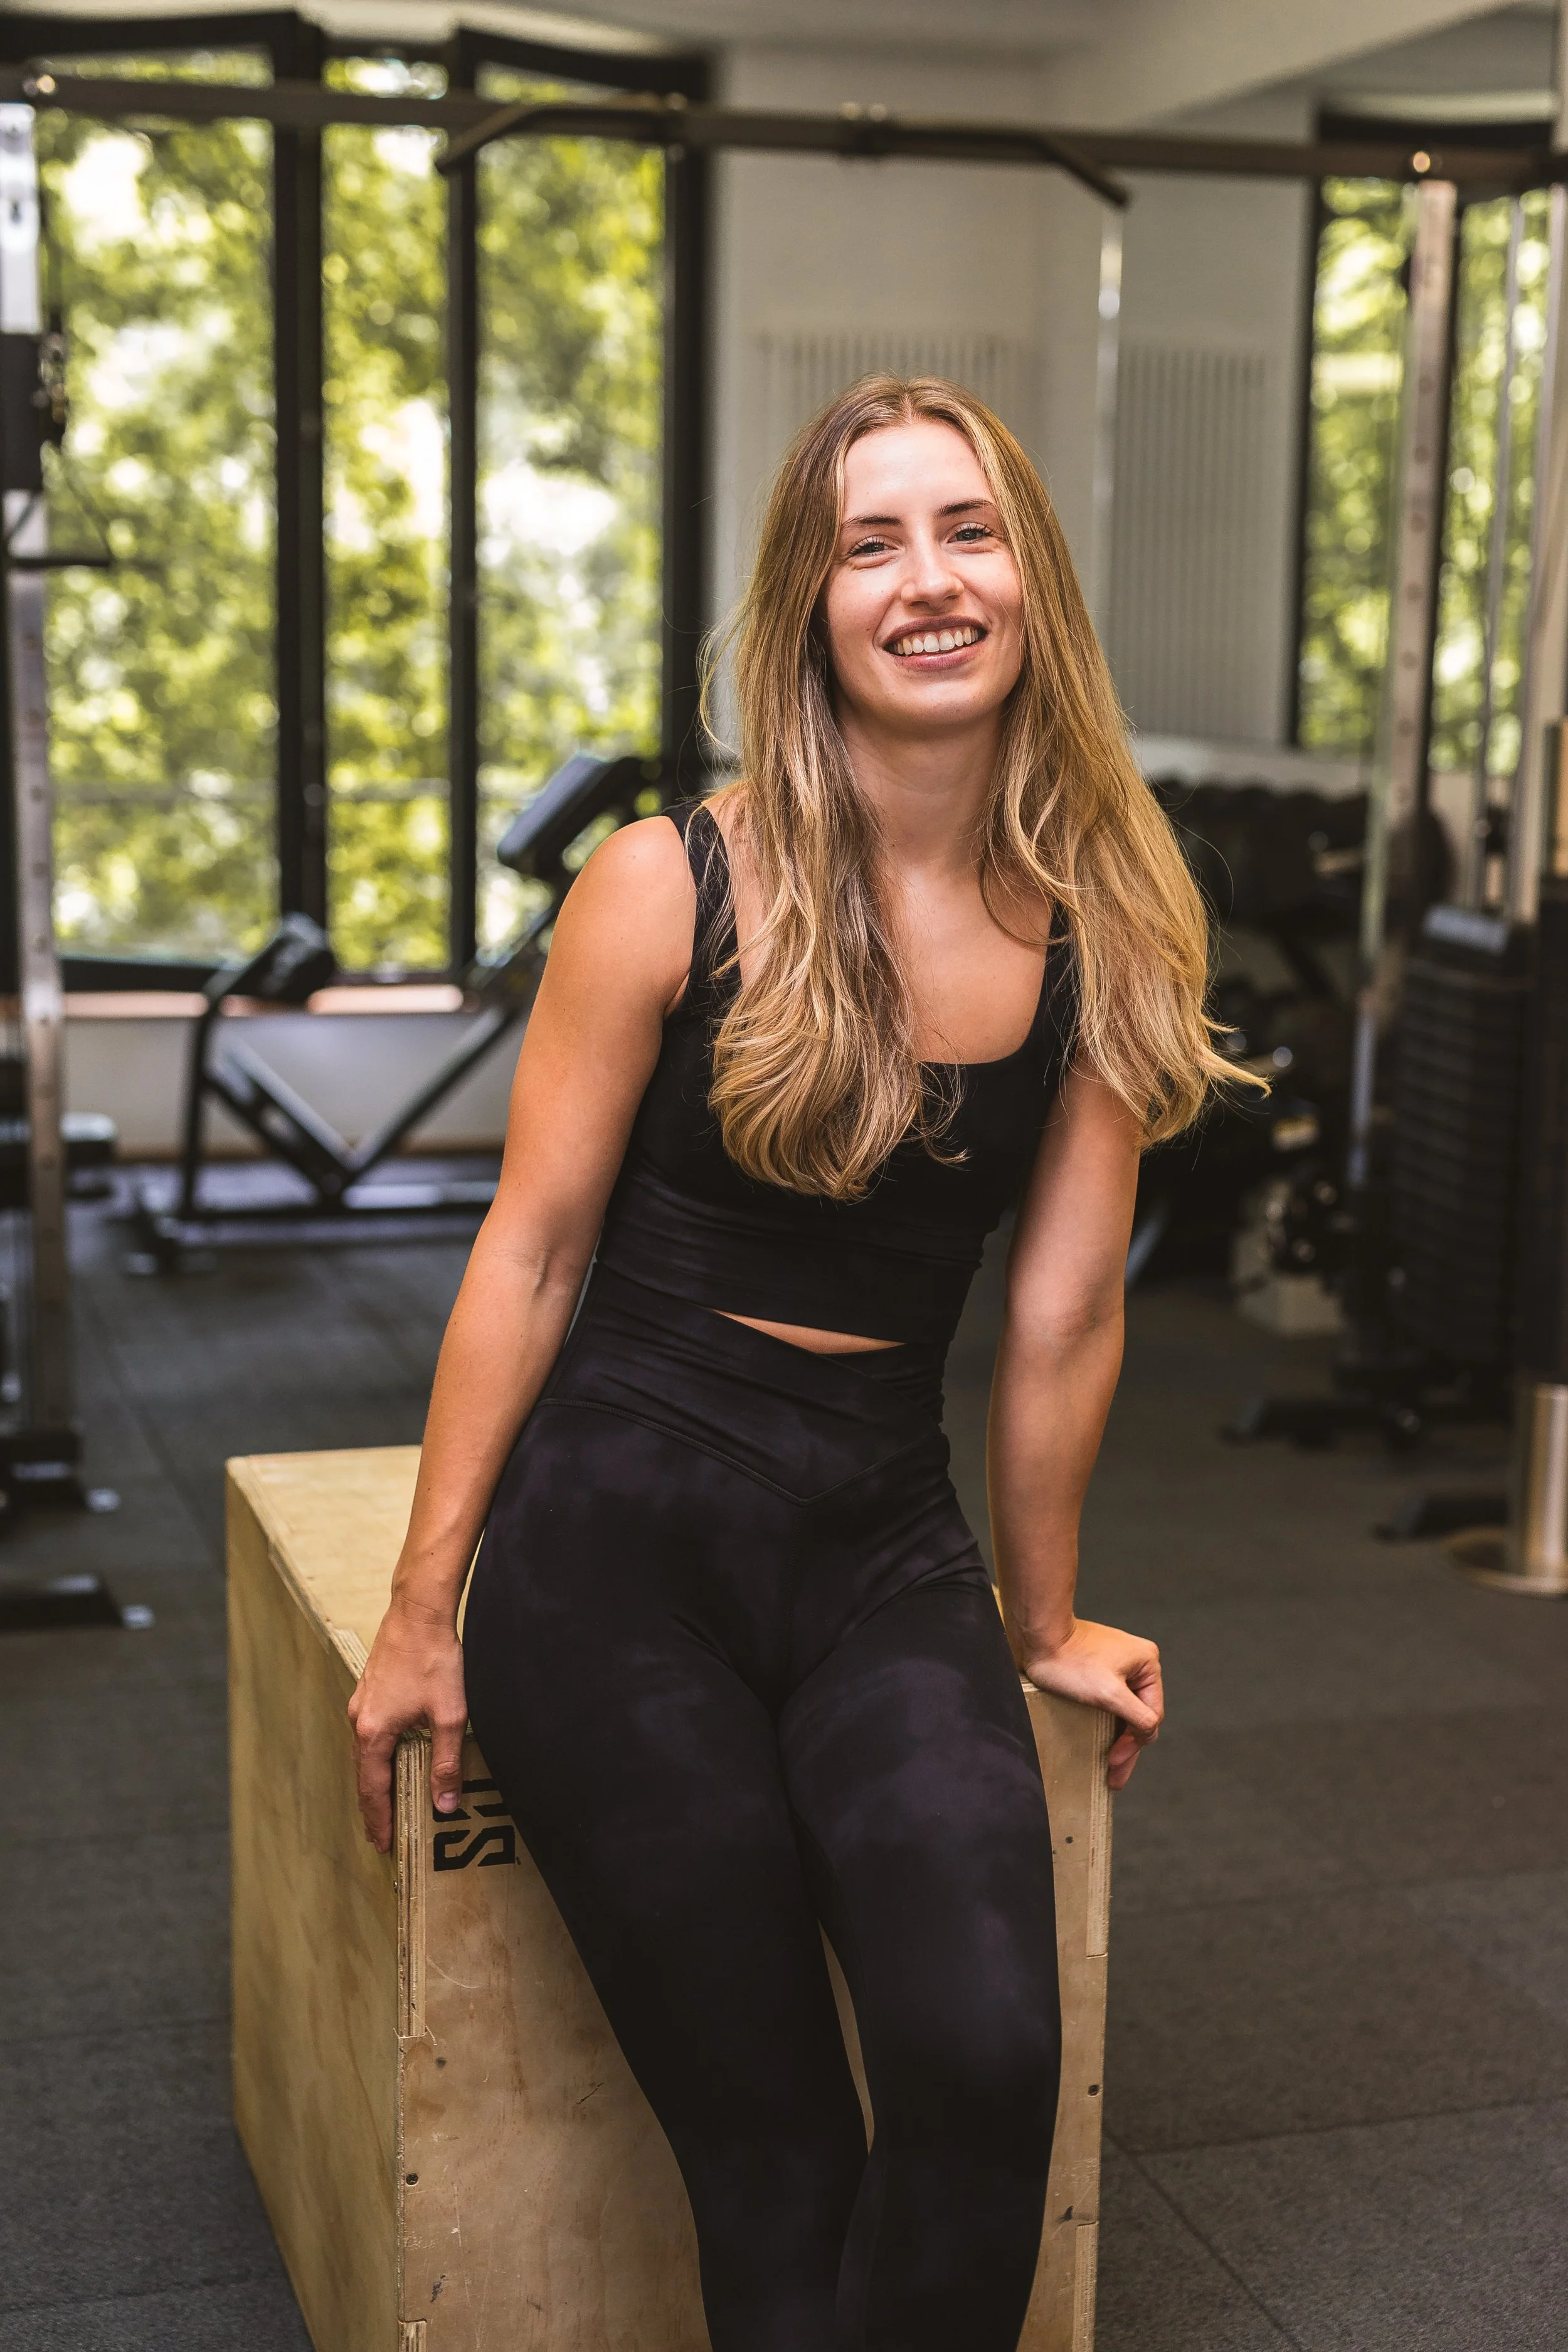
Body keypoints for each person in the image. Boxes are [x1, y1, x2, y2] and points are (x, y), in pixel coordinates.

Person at [349, 374, 1238, 2352]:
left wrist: (1046, 1606)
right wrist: (426, 1613)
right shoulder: (673, 882)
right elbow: (534, 1249)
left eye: (966, 530)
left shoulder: (1104, 925)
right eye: (869, 542)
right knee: (772, 2152)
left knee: (988, 2063)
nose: (926, 581)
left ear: (1032, 581)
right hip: (615, 1561)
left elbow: (1060, 1311)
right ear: (807, 603)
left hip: (873, 1541)